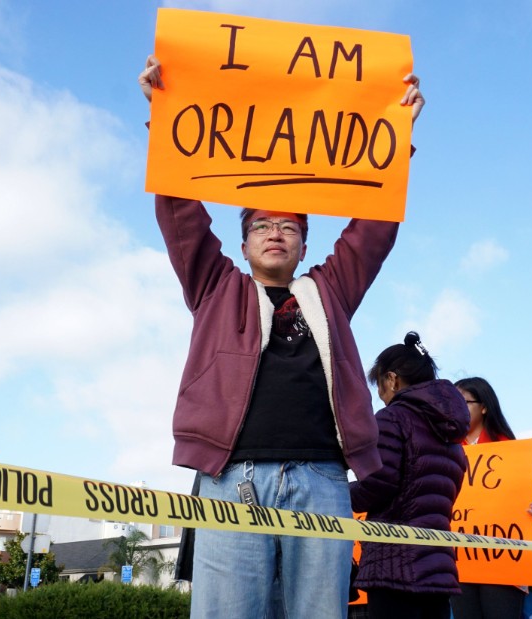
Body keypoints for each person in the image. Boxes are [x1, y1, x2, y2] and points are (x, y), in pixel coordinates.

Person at [138, 55, 424, 619]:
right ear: (243, 246)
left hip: (321, 480)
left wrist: (399, 137)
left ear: (303, 244)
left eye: (289, 227)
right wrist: (163, 119)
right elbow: (181, 217)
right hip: (229, 480)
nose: (275, 233)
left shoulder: (332, 290)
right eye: (262, 227)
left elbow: (374, 229)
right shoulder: (216, 287)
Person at [349, 332, 469, 619]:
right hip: (438, 569)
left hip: (395, 566)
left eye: (378, 385)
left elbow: (378, 484)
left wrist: (336, 492)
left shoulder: (392, 418)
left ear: (392, 379)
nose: (380, 395)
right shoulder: (451, 433)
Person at [451, 377, 532, 619]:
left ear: (484, 406)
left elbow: (530, 499)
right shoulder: (447, 450)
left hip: (504, 561)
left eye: (463, 403)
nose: (455, 410)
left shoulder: (509, 450)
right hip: (460, 561)